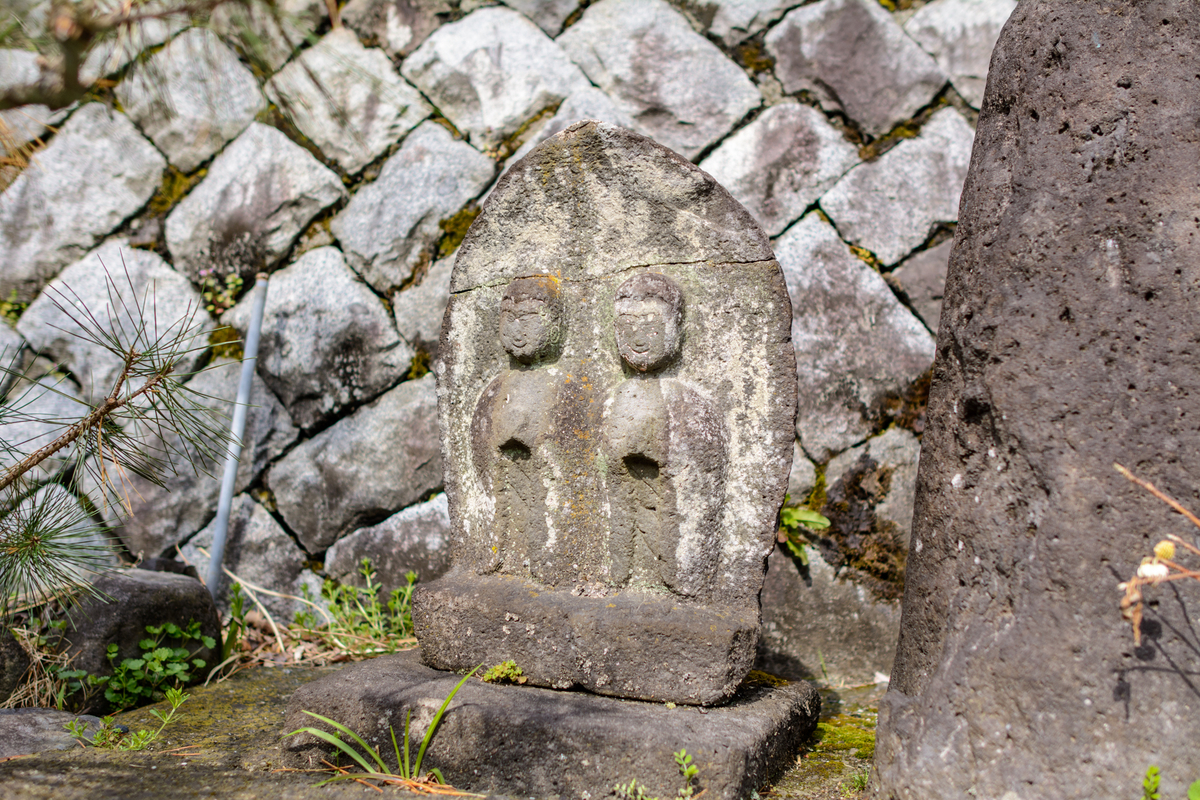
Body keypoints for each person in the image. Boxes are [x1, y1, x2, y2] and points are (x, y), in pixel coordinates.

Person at [601, 273, 727, 597]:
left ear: (676, 327)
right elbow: (615, 485)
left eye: (649, 323)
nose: (636, 335)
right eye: (626, 323)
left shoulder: (690, 406)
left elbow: (699, 488)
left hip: (675, 547)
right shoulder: (621, 399)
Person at [470, 276, 564, 576]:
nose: (517, 330)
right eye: (509, 319)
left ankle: (546, 560)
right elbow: (480, 450)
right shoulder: (496, 389)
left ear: (554, 325)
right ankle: (499, 555)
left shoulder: (559, 388)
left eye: (528, 319)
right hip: (507, 492)